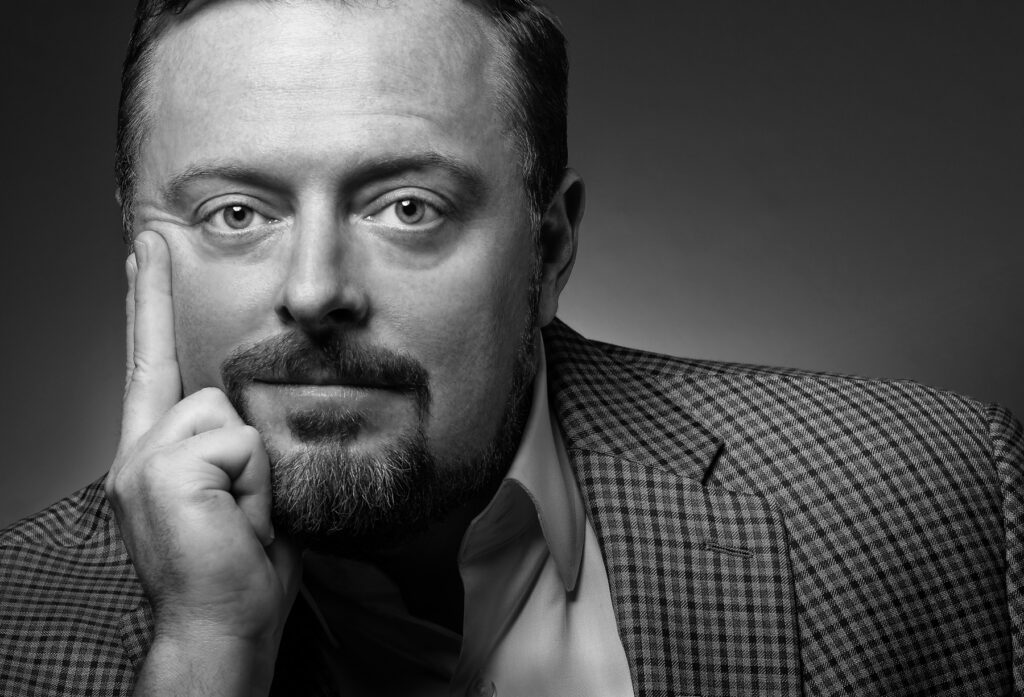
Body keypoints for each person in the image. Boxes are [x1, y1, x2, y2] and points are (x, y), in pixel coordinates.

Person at [1, 0, 1020, 695]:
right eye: (235, 213)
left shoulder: (933, 486)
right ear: (138, 250)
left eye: (408, 206)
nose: (314, 291)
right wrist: (205, 648)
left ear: (549, 245)